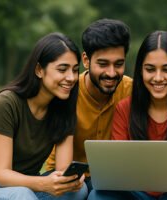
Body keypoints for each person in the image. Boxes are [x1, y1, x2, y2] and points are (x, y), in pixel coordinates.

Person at [88, 30, 167, 200]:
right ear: (140, 71)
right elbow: (119, 166)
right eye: (150, 69)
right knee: (98, 196)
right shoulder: (124, 108)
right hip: (136, 192)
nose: (158, 78)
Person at [0, 33, 88, 199]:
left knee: (77, 191)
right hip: (0, 186)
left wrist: (70, 180)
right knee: (22, 194)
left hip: (30, 185)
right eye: (62, 69)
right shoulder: (7, 103)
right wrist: (42, 183)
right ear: (39, 70)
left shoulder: (64, 107)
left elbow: (62, 169)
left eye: (75, 70)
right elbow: (1, 175)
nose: (71, 78)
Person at [45, 18, 132, 192]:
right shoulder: (67, 92)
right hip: (66, 178)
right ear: (86, 60)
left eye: (119, 64)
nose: (112, 73)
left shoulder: (132, 91)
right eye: (103, 64)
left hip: (113, 180)